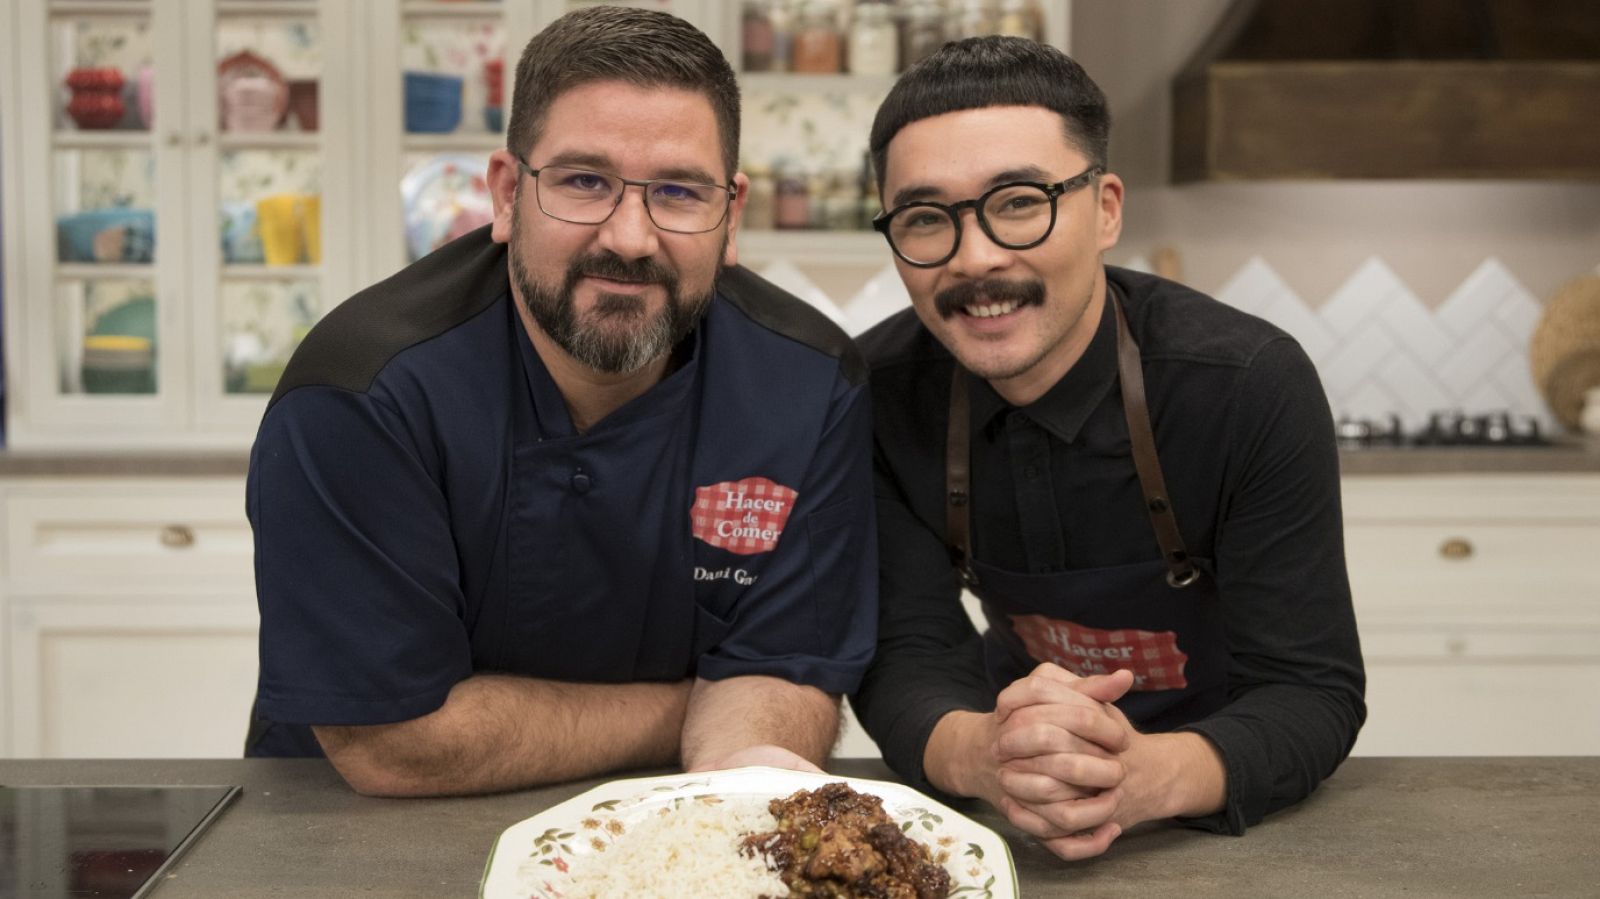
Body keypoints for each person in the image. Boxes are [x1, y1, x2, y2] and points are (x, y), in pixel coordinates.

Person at [243, 6, 877, 797]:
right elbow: (393, 744)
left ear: (731, 214)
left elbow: (781, 673)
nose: (631, 237)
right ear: (506, 196)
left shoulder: (807, 387)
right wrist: (689, 708)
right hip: (361, 844)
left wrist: (716, 811)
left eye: (679, 191)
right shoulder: (364, 395)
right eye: (585, 182)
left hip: (666, 830)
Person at [850, 36, 1366, 860]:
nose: (975, 258)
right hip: (1011, 799)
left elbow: (1311, 690)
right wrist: (985, 755)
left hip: (1235, 801)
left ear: (1107, 208)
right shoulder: (875, 393)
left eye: (1018, 201)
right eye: (923, 218)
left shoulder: (1244, 385)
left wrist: (1143, 776)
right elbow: (908, 652)